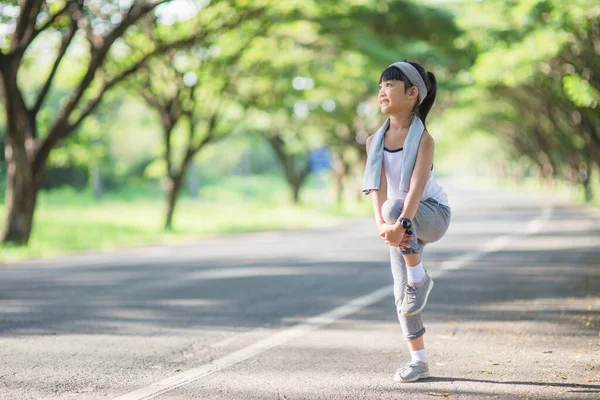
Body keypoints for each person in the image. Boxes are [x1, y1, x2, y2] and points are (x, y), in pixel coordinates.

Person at [362, 61, 451, 383]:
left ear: (412, 94)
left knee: (393, 207)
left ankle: (419, 276)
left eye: (389, 85)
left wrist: (399, 222)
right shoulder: (374, 140)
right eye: (380, 86)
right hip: (399, 219)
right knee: (403, 298)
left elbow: (415, 188)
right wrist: (383, 227)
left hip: (431, 214)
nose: (381, 91)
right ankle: (420, 361)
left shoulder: (423, 139)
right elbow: (376, 186)